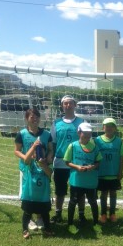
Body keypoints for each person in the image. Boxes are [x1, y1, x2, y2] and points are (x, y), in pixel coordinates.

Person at [14, 108, 53, 231]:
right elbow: (16, 150)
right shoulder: (21, 134)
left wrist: (48, 158)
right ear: (27, 119)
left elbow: (51, 149)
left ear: (39, 119)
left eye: (36, 117)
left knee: (40, 192)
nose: (34, 119)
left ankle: (40, 217)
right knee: (27, 192)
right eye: (32, 117)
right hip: (26, 169)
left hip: (42, 167)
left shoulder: (46, 134)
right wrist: (25, 157)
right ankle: (29, 219)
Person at [50, 95, 85, 223]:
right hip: (60, 162)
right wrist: (50, 160)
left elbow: (86, 142)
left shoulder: (82, 122)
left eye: (70, 103)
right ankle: (58, 214)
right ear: (62, 106)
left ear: (75, 105)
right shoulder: (56, 123)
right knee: (60, 191)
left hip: (77, 162)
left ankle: (81, 215)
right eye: (65, 103)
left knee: (79, 190)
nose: (68, 105)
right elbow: (52, 144)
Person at [64, 122, 102, 234]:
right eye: (84, 133)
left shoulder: (94, 147)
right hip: (77, 181)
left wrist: (92, 167)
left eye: (89, 133)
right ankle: (70, 223)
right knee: (73, 202)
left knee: (93, 202)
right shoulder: (73, 146)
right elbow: (66, 162)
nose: (87, 135)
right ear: (79, 132)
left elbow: (98, 161)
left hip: (90, 182)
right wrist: (77, 167)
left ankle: (96, 222)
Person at [95, 118, 123, 223]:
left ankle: (112, 213)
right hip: (102, 173)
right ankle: (103, 214)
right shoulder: (97, 140)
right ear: (103, 127)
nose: (109, 128)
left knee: (113, 193)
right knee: (103, 193)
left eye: (111, 126)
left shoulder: (119, 141)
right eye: (107, 126)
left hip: (114, 173)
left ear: (115, 128)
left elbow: (121, 158)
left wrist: (121, 172)